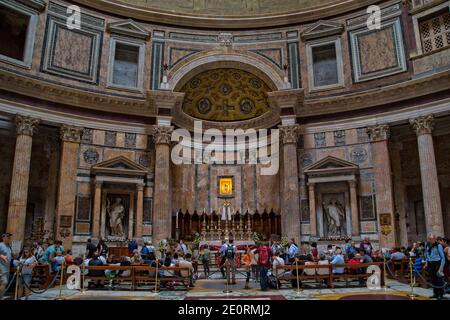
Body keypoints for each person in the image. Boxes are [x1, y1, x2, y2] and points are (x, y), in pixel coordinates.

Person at [425, 233, 446, 300]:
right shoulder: (427, 245)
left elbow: (443, 257)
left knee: (439, 279)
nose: (430, 240)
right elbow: (426, 254)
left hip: (438, 263)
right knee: (433, 279)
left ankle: (440, 294)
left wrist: (441, 267)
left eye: (432, 239)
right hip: (430, 263)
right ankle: (435, 294)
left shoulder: (438, 245)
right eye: (429, 239)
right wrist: (426, 261)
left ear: (434, 239)